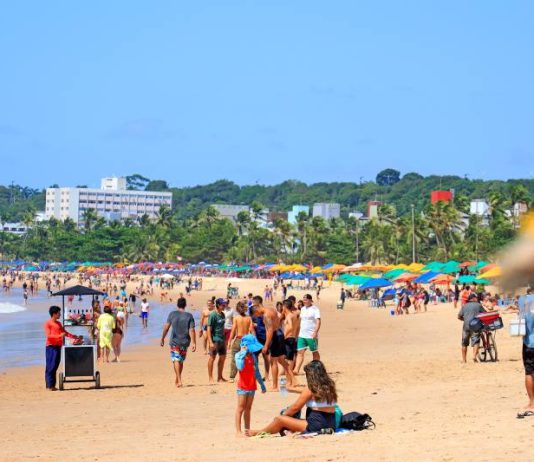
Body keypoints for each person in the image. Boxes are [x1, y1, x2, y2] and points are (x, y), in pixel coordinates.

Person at [248, 360, 337, 437]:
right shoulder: (330, 387)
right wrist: (290, 389)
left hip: (315, 426)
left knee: (279, 419)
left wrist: (284, 415)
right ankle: (288, 429)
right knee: (291, 420)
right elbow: (307, 392)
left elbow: (295, 408)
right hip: (331, 424)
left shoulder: (310, 389)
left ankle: (259, 432)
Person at [252, 296, 295, 391]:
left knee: (273, 361)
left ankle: (275, 386)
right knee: (281, 360)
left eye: (256, 315)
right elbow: (278, 320)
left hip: (275, 336)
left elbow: (270, 330)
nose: (257, 317)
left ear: (256, 310)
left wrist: (266, 345)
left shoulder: (266, 315)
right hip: (279, 333)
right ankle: (291, 381)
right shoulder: (271, 309)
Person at [160, 297, 196, 388]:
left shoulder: (172, 314)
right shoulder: (189, 316)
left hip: (174, 341)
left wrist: (163, 338)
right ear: (185, 305)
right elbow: (192, 330)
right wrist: (194, 343)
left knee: (177, 360)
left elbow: (166, 327)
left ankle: (178, 379)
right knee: (180, 361)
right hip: (185, 342)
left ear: (177, 305)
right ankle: (178, 379)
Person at [234, 334, 266, 436]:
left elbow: (257, 372)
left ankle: (247, 430)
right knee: (240, 408)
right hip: (242, 387)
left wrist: (262, 384)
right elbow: (240, 367)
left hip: (252, 386)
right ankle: (238, 431)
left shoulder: (253, 356)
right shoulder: (238, 355)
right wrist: (243, 353)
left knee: (248, 408)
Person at [44, 306, 81, 391]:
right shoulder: (48, 323)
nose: (60, 314)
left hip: (58, 346)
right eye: (59, 313)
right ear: (54, 314)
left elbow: (65, 333)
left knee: (55, 366)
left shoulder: (59, 323)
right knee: (50, 366)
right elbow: (48, 336)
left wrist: (74, 336)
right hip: (51, 347)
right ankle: (49, 386)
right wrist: (59, 335)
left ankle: (52, 385)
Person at [294, 294, 321, 375]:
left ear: (310, 300)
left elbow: (318, 321)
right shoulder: (302, 309)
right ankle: (296, 370)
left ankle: (316, 368)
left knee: (314, 351)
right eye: (303, 300)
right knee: (300, 352)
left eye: (306, 300)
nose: (304, 301)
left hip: (311, 335)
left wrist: (315, 332)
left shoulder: (315, 309)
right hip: (302, 335)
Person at [228, 301, 253, 381]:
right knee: (246, 358)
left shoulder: (236, 318)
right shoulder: (249, 318)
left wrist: (229, 341)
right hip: (246, 341)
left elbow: (233, 330)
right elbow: (251, 330)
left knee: (234, 359)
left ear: (237, 309)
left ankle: (232, 377)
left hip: (238, 339)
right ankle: (245, 376)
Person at [458, 293, 485, 363]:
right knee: (476, 342)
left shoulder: (464, 306)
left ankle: (464, 360)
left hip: (466, 326)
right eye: (476, 298)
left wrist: (465, 320)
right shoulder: (478, 305)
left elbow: (459, 316)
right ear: (473, 298)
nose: (477, 299)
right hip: (475, 325)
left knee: (464, 343)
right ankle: (474, 357)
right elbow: (485, 314)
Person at [207, 298, 228, 383]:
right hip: (215, 340)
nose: (224, 306)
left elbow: (222, 327)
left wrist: (225, 340)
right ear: (218, 305)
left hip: (222, 340)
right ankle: (210, 378)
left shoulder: (223, 314)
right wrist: (210, 342)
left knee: (223, 357)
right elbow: (209, 329)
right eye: (223, 305)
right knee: (212, 358)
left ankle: (220, 377)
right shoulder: (213, 315)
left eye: (225, 304)